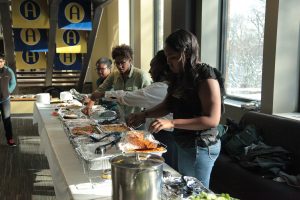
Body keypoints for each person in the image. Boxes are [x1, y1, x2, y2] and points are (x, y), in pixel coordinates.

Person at [127, 29, 225, 188]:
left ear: (186, 53)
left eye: (173, 57)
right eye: (167, 57)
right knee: (185, 187)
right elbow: (168, 105)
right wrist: (144, 114)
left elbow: (212, 120)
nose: (169, 62)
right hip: (184, 142)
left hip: (201, 145)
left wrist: (171, 123)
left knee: (197, 193)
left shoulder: (206, 76)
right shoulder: (178, 76)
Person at [104, 50, 177, 169]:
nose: (149, 71)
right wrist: (143, 116)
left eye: (152, 67)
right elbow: (157, 108)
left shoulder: (158, 87)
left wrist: (102, 95)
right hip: (157, 133)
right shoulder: (166, 86)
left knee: (166, 169)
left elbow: (128, 97)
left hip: (166, 136)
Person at [82, 44, 152, 117]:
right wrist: (90, 105)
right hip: (122, 118)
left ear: (130, 60)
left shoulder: (141, 75)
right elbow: (101, 89)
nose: (120, 66)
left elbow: (149, 100)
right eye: (117, 63)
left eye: (122, 63)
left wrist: (142, 116)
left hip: (138, 119)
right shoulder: (115, 74)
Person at [0, 54, 17, 147]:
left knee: (6, 120)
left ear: (4, 61)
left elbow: (13, 83)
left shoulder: (8, 71)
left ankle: (10, 139)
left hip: (5, 100)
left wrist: (7, 92)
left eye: (1, 61)